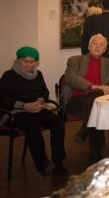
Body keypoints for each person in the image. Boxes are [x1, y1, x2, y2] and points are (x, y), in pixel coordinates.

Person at [0, 46, 67, 177]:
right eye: (25, 61)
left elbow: (45, 92)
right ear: (18, 60)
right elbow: (2, 99)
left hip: (36, 108)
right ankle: (43, 164)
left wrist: (40, 101)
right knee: (32, 125)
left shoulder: (38, 74)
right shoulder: (9, 76)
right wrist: (24, 105)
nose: (29, 65)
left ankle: (58, 162)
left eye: (32, 62)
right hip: (14, 112)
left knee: (57, 122)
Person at [63, 34, 109, 162]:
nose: (98, 47)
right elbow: (70, 78)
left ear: (105, 49)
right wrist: (93, 86)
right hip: (76, 99)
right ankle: (96, 150)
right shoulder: (75, 60)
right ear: (89, 46)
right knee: (96, 105)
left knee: (95, 103)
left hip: (97, 101)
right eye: (95, 43)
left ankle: (85, 131)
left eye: (101, 45)